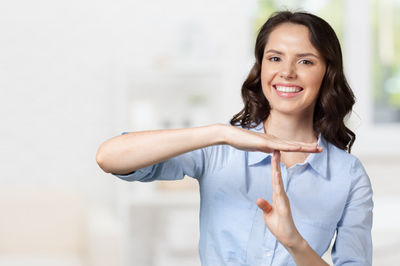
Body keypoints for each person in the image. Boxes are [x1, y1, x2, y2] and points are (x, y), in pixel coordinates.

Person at [96, 11, 373, 266]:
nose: (287, 71)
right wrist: (220, 133)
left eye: (305, 61)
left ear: (328, 72)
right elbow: (109, 157)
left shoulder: (348, 176)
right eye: (275, 58)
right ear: (261, 67)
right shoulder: (220, 148)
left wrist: (294, 242)